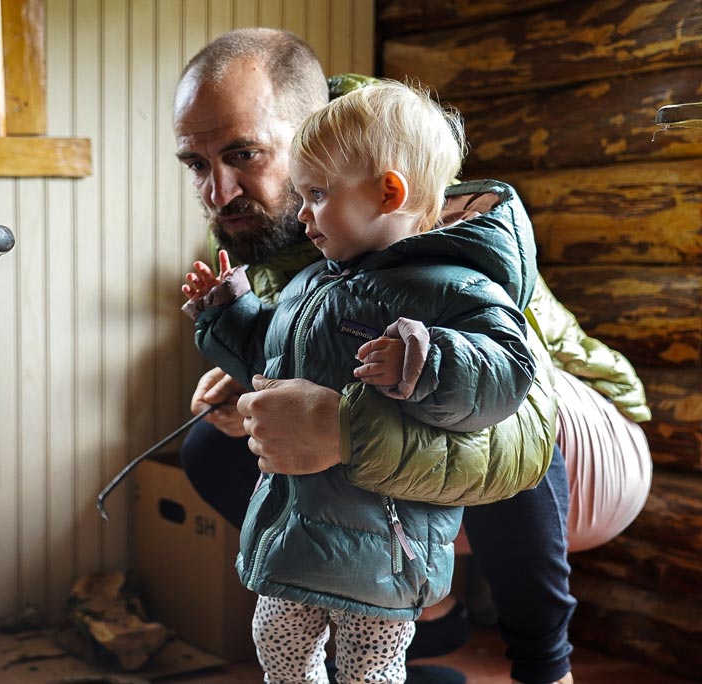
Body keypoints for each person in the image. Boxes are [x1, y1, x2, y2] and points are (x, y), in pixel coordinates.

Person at [172, 27, 643, 684]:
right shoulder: (270, 212)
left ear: (315, 131)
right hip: (421, 446)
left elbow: (508, 405)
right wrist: (255, 390)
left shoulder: (403, 180)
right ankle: (418, 616)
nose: (217, 192)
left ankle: (545, 667)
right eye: (197, 165)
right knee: (211, 445)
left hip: (578, 442)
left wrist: (343, 426)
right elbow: (304, 353)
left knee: (472, 400)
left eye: (243, 154)